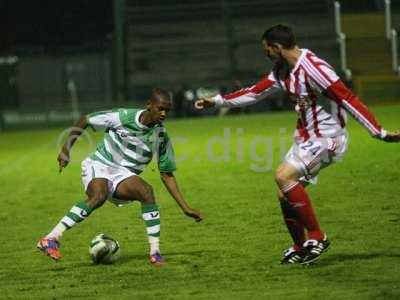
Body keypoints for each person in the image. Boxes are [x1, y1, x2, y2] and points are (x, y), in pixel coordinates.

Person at [195, 24, 400, 265]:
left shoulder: (314, 68)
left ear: (277, 47)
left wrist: (379, 132)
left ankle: (317, 236)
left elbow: (348, 98)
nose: (266, 53)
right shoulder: (282, 69)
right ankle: (301, 247)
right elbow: (254, 92)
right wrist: (216, 101)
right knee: (284, 195)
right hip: (305, 139)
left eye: (267, 49)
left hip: (328, 139)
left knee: (283, 175)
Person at [37, 88, 203, 266]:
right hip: (99, 164)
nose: (163, 114)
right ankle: (51, 238)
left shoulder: (161, 136)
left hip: (123, 175)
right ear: (149, 105)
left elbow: (167, 174)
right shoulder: (122, 117)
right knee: (98, 196)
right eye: (160, 108)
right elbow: (85, 119)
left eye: (167, 110)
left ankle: (155, 252)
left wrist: (185, 208)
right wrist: (65, 149)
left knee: (146, 191)